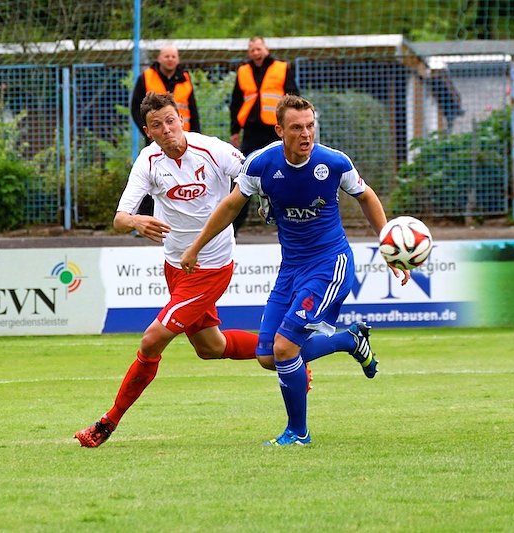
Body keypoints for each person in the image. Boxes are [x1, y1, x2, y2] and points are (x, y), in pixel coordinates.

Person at [181, 95, 410, 447]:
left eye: (310, 126)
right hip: (291, 270)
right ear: (279, 130)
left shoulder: (333, 163)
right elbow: (230, 205)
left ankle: (298, 433)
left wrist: (389, 245)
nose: (306, 134)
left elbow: (367, 196)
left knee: (286, 348)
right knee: (267, 356)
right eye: (297, 128)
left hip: (330, 265)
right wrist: (196, 247)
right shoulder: (261, 164)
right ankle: (348, 340)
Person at [74, 92, 257, 448]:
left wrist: (268, 201)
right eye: (157, 125)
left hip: (211, 267)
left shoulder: (214, 151)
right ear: (148, 131)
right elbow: (118, 219)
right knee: (211, 347)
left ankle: (106, 424)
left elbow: (253, 173)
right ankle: (289, 352)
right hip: (175, 267)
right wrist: (136, 222)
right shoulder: (148, 161)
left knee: (152, 339)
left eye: (171, 121)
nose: (167, 130)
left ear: (182, 120)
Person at [229, 36, 299, 236]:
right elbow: (235, 102)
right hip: (251, 130)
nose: (255, 52)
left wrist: (290, 128)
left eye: (258, 48)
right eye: (252, 49)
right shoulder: (243, 71)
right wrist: (235, 129)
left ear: (265, 49)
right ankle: (232, 227)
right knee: (243, 173)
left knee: (284, 172)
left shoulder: (282, 67)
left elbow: (294, 98)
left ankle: (287, 222)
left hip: (275, 129)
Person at [129, 45, 201, 218]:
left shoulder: (185, 78)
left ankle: (186, 214)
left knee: (186, 176)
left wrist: (197, 134)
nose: (170, 59)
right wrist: (151, 134)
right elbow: (135, 108)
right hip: (158, 139)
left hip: (184, 139)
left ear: (178, 59)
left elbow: (193, 108)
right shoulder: (146, 77)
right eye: (166, 56)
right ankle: (144, 216)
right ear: (159, 58)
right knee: (151, 174)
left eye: (173, 56)